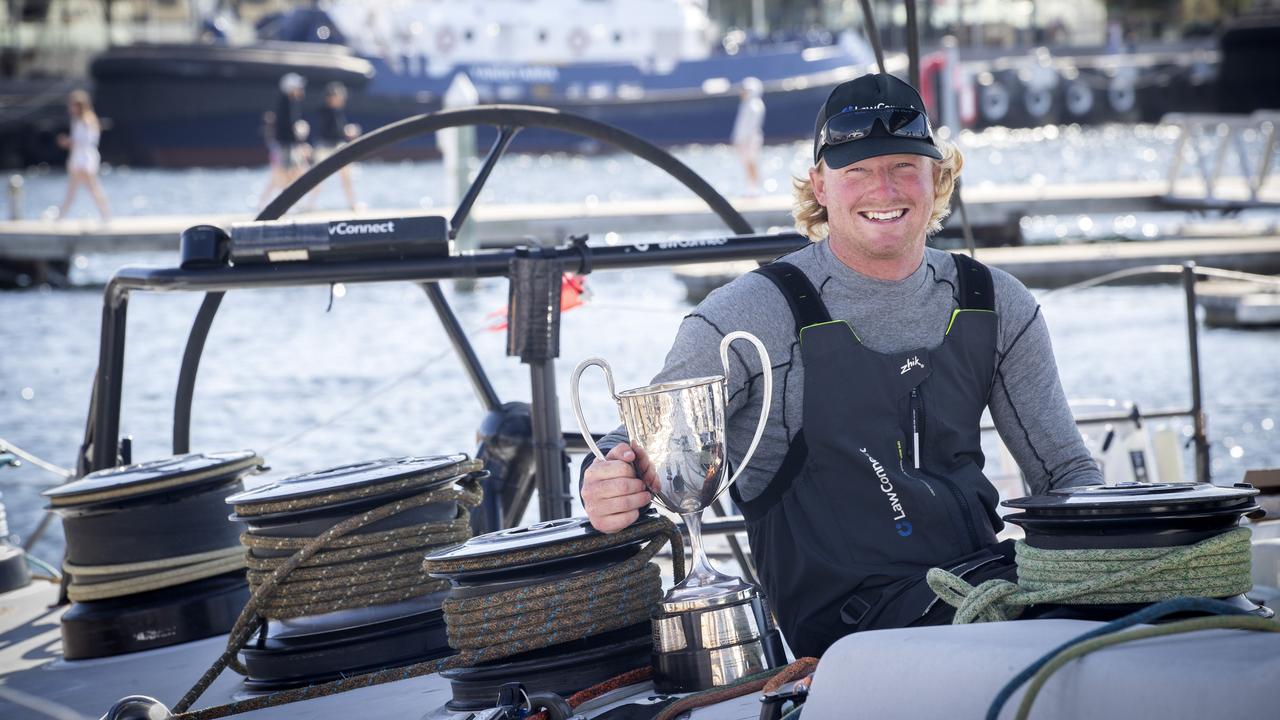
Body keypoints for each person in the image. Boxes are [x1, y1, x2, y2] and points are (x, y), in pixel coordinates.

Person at [580, 73, 1101, 659]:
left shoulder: (996, 302)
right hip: (850, 631)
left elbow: (1065, 472)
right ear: (820, 187)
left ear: (937, 177)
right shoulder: (749, 315)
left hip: (987, 586)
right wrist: (603, 484)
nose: (883, 188)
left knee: (1160, 618)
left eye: (905, 165)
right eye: (856, 170)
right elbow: (643, 437)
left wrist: (1121, 562)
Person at [57, 90, 111, 220]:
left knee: (91, 189)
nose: (70, 107)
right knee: (74, 190)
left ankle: (106, 215)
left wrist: (68, 142)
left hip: (85, 159)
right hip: (79, 158)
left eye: (72, 105)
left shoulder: (87, 121)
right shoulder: (79, 120)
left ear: (79, 105)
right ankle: (61, 217)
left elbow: (86, 141)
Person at [313, 81, 360, 209]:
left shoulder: (336, 111)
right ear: (331, 98)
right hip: (325, 148)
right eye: (339, 97)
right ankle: (310, 205)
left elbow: (337, 131)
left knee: (346, 177)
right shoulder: (325, 111)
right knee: (316, 179)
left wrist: (346, 131)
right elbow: (330, 131)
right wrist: (346, 131)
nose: (342, 99)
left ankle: (352, 204)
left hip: (336, 146)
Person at [274, 72, 310, 185]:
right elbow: (288, 126)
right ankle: (286, 193)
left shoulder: (292, 102)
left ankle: (287, 192)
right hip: (287, 144)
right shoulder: (286, 104)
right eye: (298, 87)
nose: (300, 89)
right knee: (287, 169)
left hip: (290, 143)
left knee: (295, 169)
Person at [731, 76, 765, 193]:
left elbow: (751, 126)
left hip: (750, 139)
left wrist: (745, 139)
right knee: (747, 163)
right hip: (745, 139)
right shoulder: (747, 104)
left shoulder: (754, 104)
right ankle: (751, 187)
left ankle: (755, 188)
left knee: (751, 162)